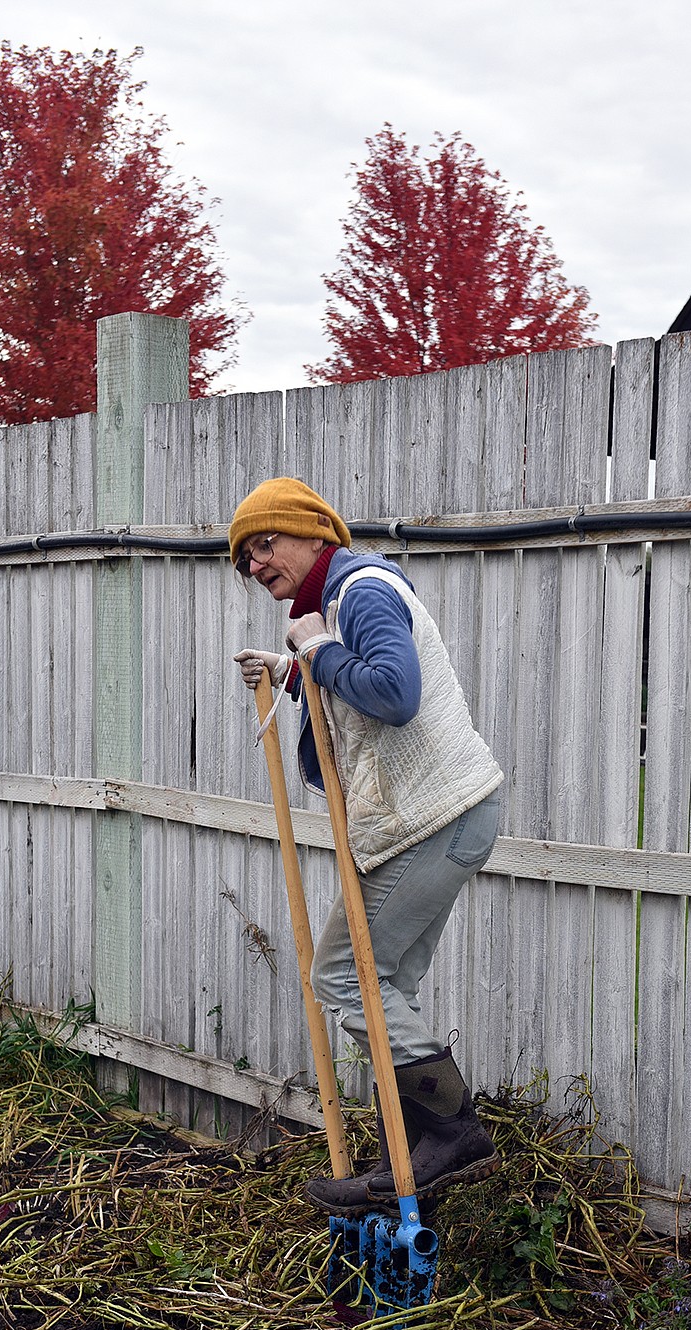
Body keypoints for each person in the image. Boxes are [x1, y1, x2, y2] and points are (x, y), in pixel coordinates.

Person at [231, 476, 503, 1212]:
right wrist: (295, 668)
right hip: (437, 818)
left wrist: (316, 649)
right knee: (387, 991)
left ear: (315, 535)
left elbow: (394, 691)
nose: (255, 564)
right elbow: (355, 687)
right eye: (245, 558)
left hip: (435, 818)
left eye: (265, 543)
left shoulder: (362, 590)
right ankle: (411, 1153)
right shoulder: (335, 603)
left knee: (345, 977)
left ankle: (451, 1133)